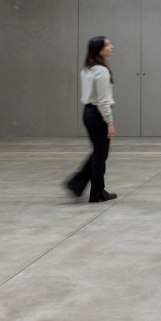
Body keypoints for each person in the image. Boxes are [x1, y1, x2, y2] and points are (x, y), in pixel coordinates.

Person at [64, 36, 118, 203]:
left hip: (88, 113)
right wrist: (109, 122)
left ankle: (80, 185)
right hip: (98, 114)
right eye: (108, 44)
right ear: (99, 49)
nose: (111, 47)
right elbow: (102, 100)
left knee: (98, 153)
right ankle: (95, 193)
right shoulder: (101, 71)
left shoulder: (88, 68)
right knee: (100, 155)